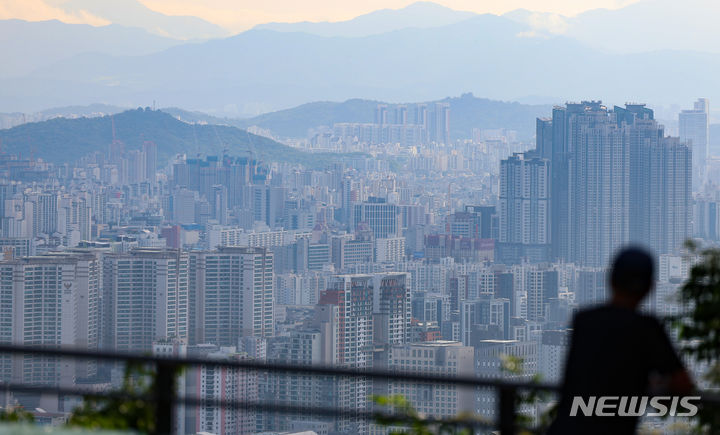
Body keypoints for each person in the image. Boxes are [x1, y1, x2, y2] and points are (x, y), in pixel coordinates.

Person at [548, 247, 694, 434]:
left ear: (610, 281)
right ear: (650, 287)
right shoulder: (647, 328)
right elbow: (683, 384)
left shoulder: (584, 320)